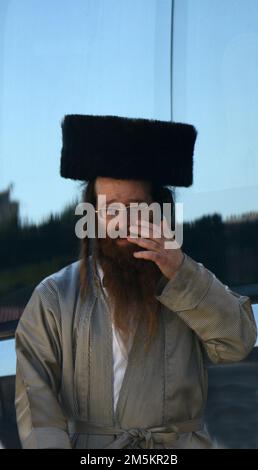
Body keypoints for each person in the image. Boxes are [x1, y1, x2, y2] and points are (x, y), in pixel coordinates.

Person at [14, 114, 257, 449]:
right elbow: (38, 408)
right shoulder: (54, 296)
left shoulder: (186, 280)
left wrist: (181, 271)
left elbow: (238, 342)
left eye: (135, 207)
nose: (123, 222)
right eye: (111, 208)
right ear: (92, 213)